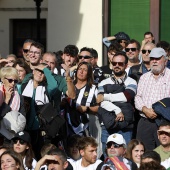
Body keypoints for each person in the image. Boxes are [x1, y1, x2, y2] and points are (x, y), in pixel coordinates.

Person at [97, 51, 137, 154]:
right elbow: (100, 102)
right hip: (107, 125)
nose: (117, 66)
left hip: (126, 126)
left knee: (126, 158)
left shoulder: (132, 81)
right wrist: (117, 109)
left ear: (126, 65)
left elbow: (126, 96)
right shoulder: (103, 82)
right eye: (114, 63)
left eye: (120, 63)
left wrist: (106, 96)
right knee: (108, 158)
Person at [135, 47, 170, 150]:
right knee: (144, 154)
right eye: (152, 58)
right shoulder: (144, 77)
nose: (154, 61)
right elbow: (137, 97)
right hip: (145, 121)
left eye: (157, 58)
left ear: (165, 60)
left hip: (165, 122)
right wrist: (145, 109)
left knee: (166, 155)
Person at [20, 63, 57, 159]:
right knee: (25, 156)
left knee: (39, 155)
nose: (40, 74)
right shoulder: (23, 87)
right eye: (38, 71)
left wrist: (46, 70)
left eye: (43, 72)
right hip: (25, 128)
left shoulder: (46, 89)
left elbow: (54, 86)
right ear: (33, 71)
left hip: (40, 130)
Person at [66, 62, 102, 157]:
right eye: (80, 69)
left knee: (89, 150)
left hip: (88, 123)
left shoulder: (93, 88)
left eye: (85, 70)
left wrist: (87, 108)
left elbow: (100, 107)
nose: (81, 71)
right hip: (69, 123)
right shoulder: (68, 85)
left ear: (89, 73)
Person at [0, 67, 26, 142]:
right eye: (10, 80)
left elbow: (22, 117)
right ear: (2, 79)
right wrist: (6, 100)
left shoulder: (19, 97)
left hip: (12, 136)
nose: (13, 84)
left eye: (15, 81)